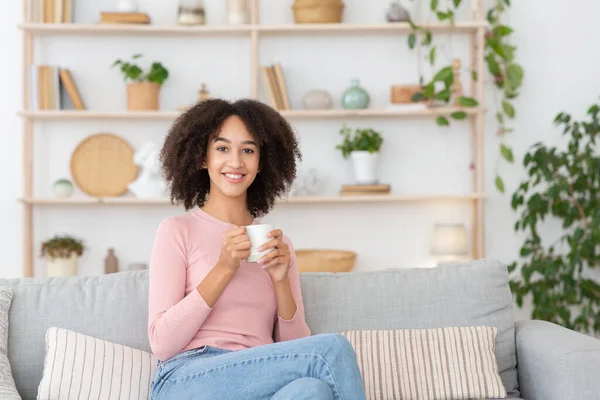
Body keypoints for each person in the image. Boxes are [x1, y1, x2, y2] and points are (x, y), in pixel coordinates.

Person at [147, 98, 367, 400]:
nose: (236, 162)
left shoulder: (278, 246)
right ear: (202, 158)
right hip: (188, 379)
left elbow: (295, 345)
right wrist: (224, 268)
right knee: (332, 349)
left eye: (248, 150)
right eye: (222, 149)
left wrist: (280, 280)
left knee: (311, 390)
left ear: (261, 162)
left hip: (259, 379)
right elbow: (161, 343)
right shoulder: (177, 231)